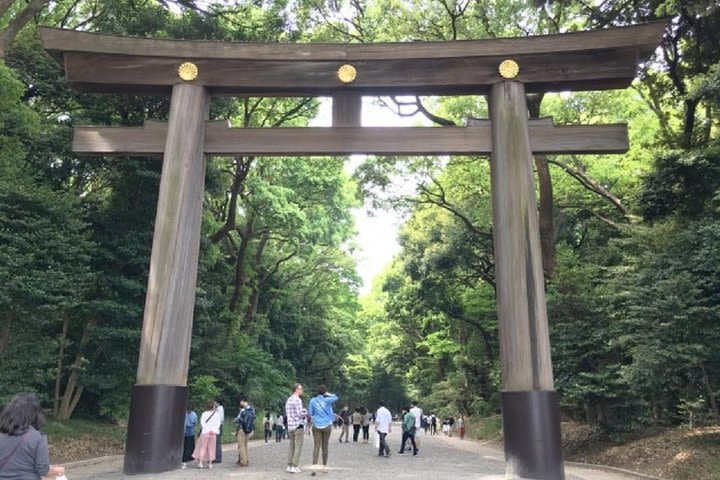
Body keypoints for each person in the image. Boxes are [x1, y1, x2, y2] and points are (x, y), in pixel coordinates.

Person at [0, 393, 65, 480]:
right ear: (35, 414)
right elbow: (43, 471)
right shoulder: (38, 438)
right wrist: (57, 471)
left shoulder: (2, 433)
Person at [307, 385, 339, 468]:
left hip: (316, 425)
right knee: (325, 446)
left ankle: (314, 466)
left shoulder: (312, 401)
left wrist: (315, 416)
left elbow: (310, 413)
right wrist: (328, 394)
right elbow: (336, 397)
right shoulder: (327, 400)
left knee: (316, 446)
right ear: (325, 392)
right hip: (326, 425)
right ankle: (324, 466)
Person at [192, 399, 222, 469]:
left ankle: (200, 463)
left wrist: (207, 429)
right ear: (213, 406)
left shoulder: (204, 414)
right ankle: (210, 464)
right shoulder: (216, 415)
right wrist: (213, 430)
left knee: (203, 448)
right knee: (211, 449)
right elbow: (218, 424)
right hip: (213, 433)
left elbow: (202, 423)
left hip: (205, 433)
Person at [285, 383, 305, 473]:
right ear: (296, 389)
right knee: (298, 446)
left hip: (290, 426)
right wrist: (305, 412)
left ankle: (289, 465)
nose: (302, 390)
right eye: (301, 389)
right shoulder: (298, 400)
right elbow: (300, 413)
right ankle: (295, 465)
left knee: (291, 446)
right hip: (298, 425)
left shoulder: (289, 399)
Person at [233, 394, 255, 467]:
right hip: (248, 430)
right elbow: (253, 419)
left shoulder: (242, 410)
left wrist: (234, 420)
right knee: (245, 445)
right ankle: (247, 459)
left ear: (242, 401)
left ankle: (243, 461)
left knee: (241, 446)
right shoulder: (252, 409)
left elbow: (238, 419)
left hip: (242, 429)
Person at [182, 400, 198, 468]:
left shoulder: (184, 413)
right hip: (191, 431)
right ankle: (189, 457)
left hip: (184, 431)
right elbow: (195, 422)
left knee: (185, 445)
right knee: (190, 445)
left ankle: (183, 458)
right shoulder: (194, 414)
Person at [213, 398, 225, 463]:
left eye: (214, 402)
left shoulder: (220, 409)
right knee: (216, 442)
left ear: (217, 403)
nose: (213, 403)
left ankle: (218, 457)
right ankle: (215, 456)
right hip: (217, 427)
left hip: (218, 427)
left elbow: (220, 420)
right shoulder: (217, 409)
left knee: (217, 442)